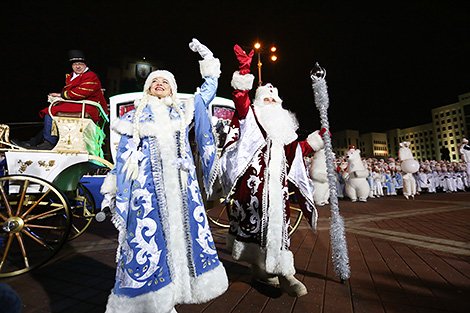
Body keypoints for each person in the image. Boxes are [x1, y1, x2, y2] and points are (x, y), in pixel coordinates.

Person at [99, 39, 228, 313]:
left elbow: (208, 91)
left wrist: (207, 59)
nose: (160, 84)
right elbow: (124, 153)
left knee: (184, 237)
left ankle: (181, 289)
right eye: (155, 81)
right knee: (149, 240)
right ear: (147, 88)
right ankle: (154, 300)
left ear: (172, 89)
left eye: (165, 82)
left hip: (182, 188)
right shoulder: (133, 117)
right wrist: (117, 186)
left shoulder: (183, 110)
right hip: (146, 190)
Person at [220, 45, 324, 297]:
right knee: (255, 230)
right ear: (258, 102)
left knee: (277, 229)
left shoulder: (285, 127)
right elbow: (240, 98)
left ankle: (284, 272)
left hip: (277, 192)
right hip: (252, 191)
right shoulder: (250, 118)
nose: (270, 102)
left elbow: (295, 152)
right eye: (265, 99)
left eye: (273, 99)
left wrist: (316, 140)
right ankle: (264, 271)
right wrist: (245, 70)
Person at [13, 50, 108, 150]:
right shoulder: (72, 76)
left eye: (80, 64)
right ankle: (32, 142)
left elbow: (81, 92)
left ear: (85, 65)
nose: (78, 66)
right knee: (52, 113)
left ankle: (49, 143)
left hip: (87, 107)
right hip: (78, 104)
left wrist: (61, 95)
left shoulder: (91, 76)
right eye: (75, 64)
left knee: (50, 112)